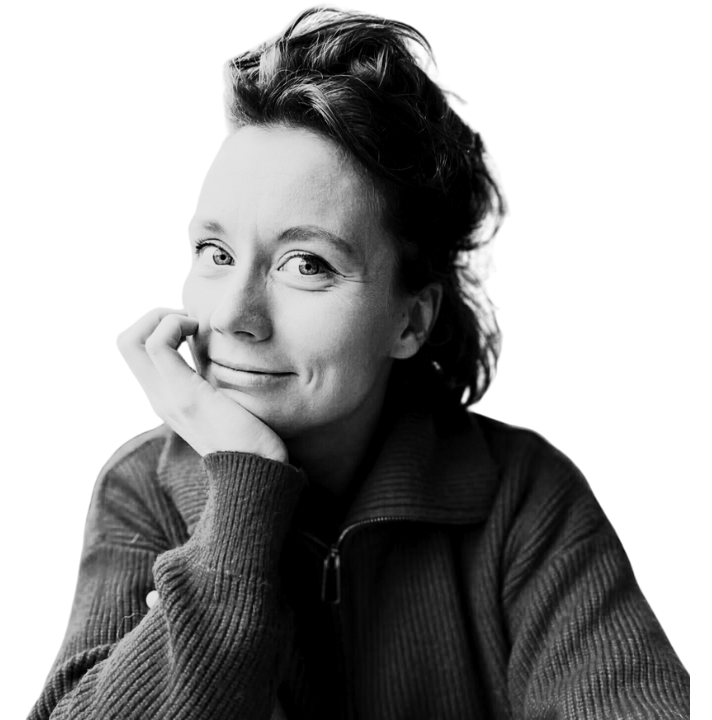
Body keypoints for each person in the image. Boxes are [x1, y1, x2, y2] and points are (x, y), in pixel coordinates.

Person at [28, 3, 688, 719]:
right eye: (214, 253)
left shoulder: (523, 498)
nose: (233, 316)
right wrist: (244, 484)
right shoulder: (143, 490)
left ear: (411, 320)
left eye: (306, 264)